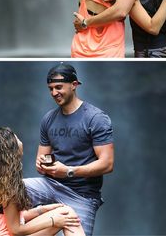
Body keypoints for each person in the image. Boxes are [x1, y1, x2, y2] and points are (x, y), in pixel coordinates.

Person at [24, 63, 114, 236]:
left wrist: (68, 171)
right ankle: (10, 227)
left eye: (59, 87)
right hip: (51, 185)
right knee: (8, 189)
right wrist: (43, 165)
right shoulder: (48, 119)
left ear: (74, 85)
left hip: (83, 195)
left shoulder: (95, 118)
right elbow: (41, 161)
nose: (54, 93)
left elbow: (107, 164)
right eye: (50, 88)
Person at [0, 127, 85, 236]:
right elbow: (15, 229)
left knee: (64, 212)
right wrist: (53, 220)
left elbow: (7, 218)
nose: (20, 141)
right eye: (17, 138)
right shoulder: (8, 187)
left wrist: (42, 210)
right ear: (11, 149)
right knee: (67, 214)